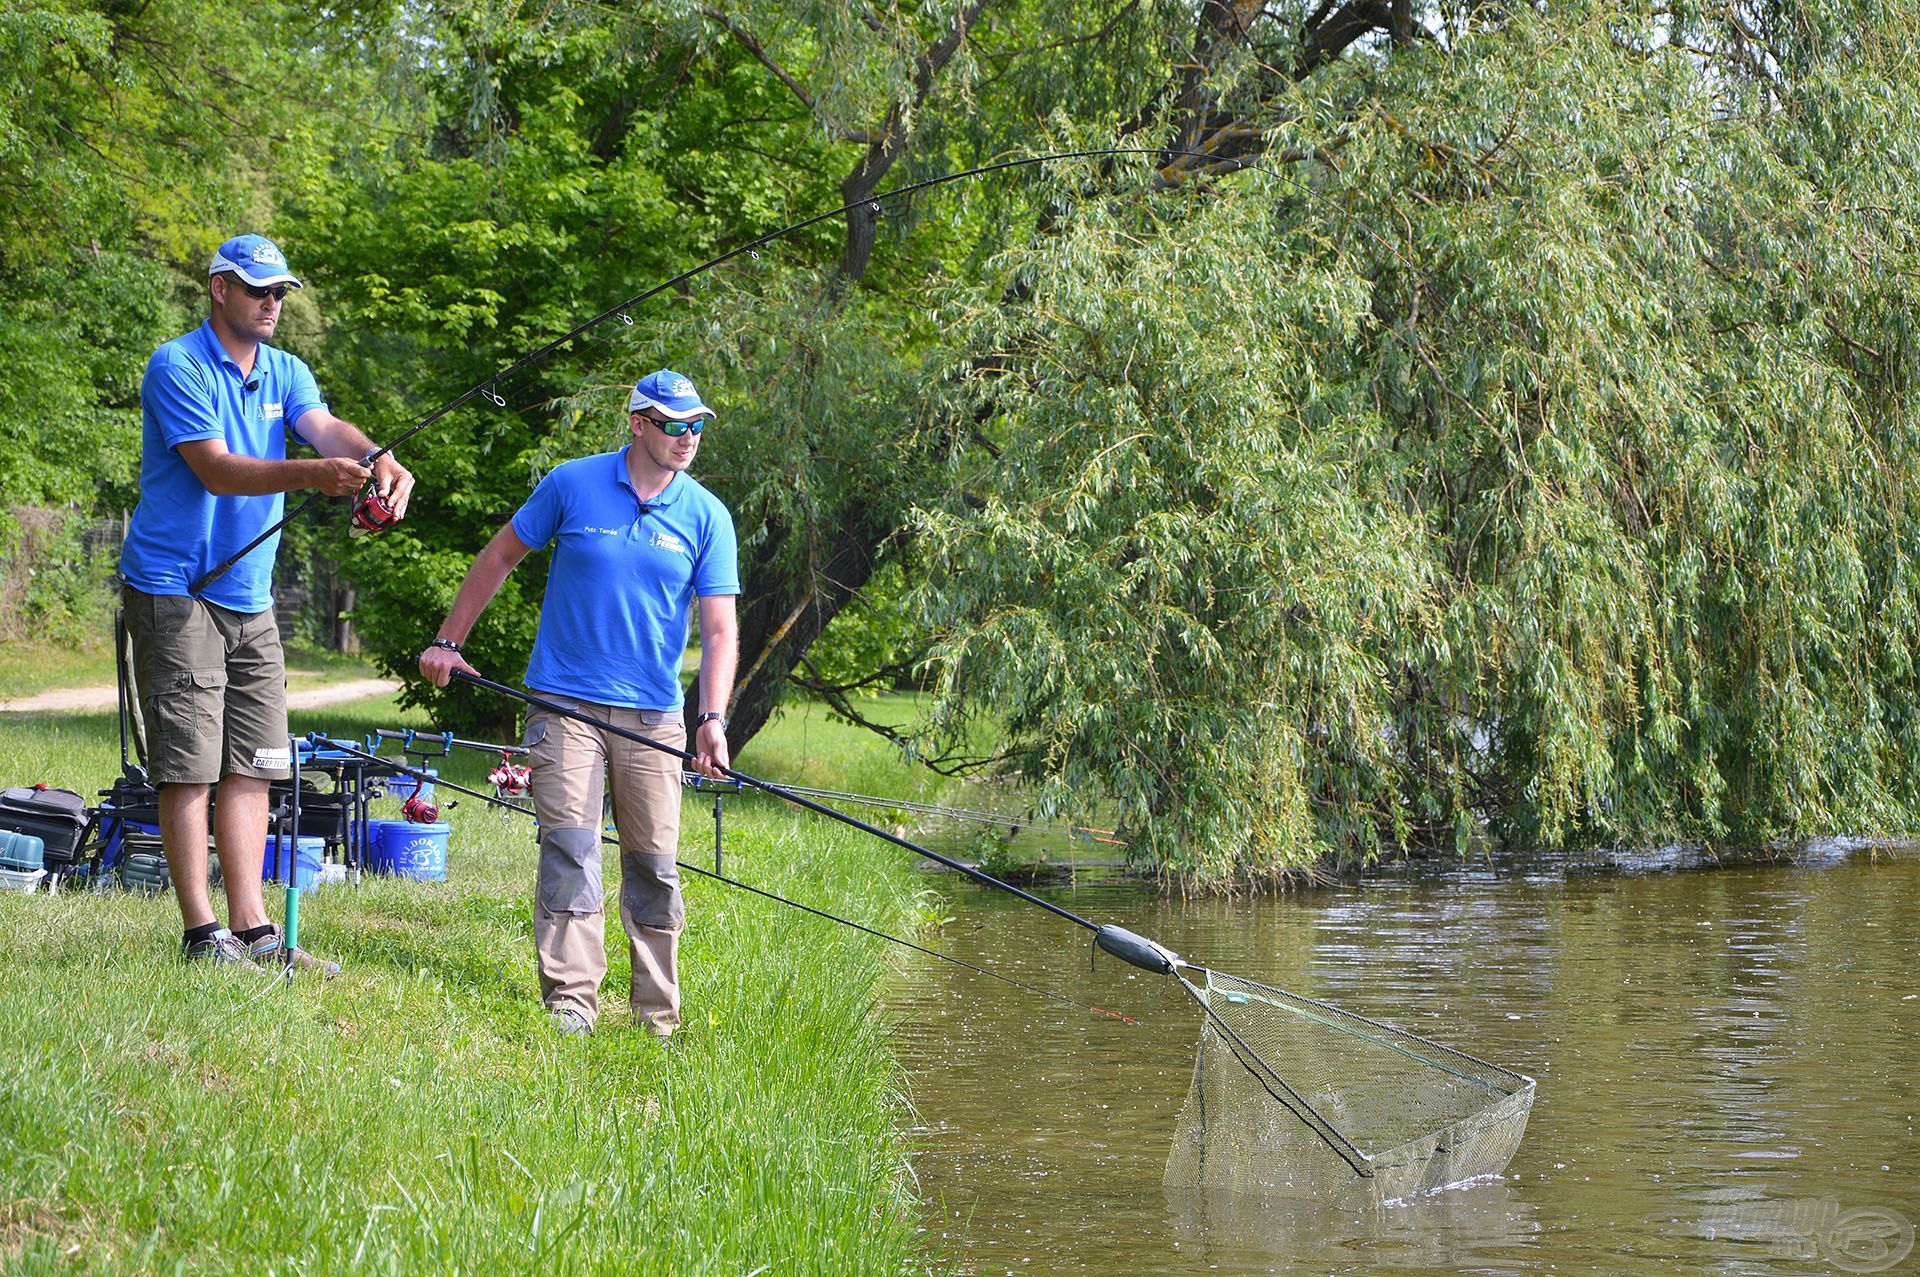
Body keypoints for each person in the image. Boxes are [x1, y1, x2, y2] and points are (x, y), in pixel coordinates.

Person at [120, 233, 414, 971]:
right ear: (220, 289)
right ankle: (200, 934)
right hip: (175, 588)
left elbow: (324, 427)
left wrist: (375, 456)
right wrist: (313, 476)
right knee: (189, 763)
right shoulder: (177, 365)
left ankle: (253, 931)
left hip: (250, 596)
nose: (273, 303)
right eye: (258, 289)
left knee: (256, 758)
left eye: (280, 291)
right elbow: (217, 470)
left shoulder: (286, 369)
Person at [419, 369, 739, 1037]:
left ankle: (657, 1014)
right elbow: (501, 555)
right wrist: (449, 640)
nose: (688, 437)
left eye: (697, 424)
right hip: (563, 703)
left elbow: (718, 629)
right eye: (674, 424)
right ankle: (572, 1000)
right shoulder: (571, 482)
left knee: (653, 863)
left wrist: (711, 718)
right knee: (571, 847)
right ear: (638, 423)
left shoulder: (708, 516)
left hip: (654, 714)